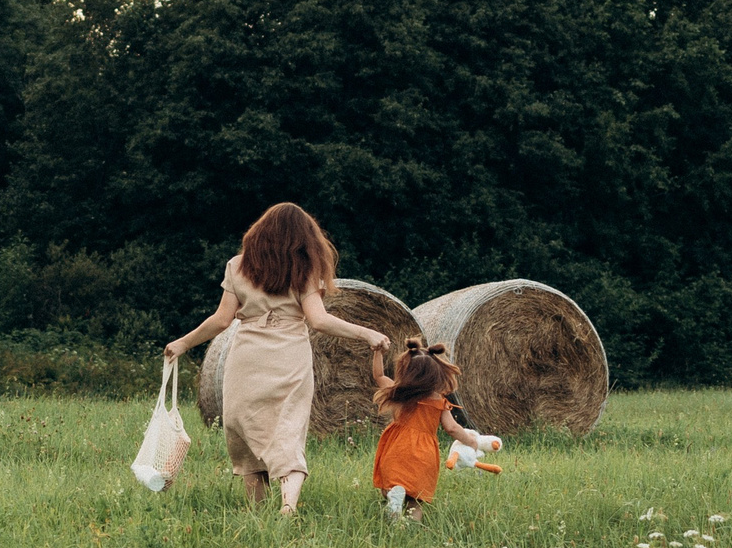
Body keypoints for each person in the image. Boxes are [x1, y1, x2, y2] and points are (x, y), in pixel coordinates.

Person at [164, 202, 390, 515]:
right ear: (303, 238)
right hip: (290, 358)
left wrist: (183, 343)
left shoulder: (238, 266)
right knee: (288, 429)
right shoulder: (305, 271)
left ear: (261, 232)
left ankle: (256, 513)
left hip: (247, 359)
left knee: (244, 430)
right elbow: (320, 321)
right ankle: (288, 504)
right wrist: (366, 333)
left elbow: (221, 320)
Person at [369, 338, 500, 521]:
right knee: (417, 499)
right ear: (436, 374)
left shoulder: (398, 393)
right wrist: (472, 441)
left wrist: (378, 353)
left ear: (405, 371)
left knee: (391, 486)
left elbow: (379, 376)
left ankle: (394, 500)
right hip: (424, 453)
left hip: (397, 447)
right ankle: (412, 529)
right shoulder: (438, 401)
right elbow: (452, 428)